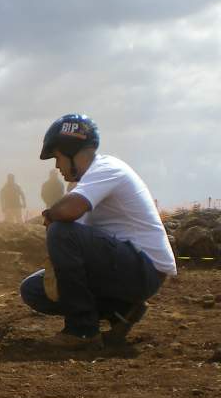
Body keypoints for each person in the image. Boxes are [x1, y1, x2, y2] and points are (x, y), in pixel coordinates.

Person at [19, 114, 177, 349]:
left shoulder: (106, 168)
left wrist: (51, 216)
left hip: (144, 268)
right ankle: (121, 311)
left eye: (58, 157)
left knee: (61, 232)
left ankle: (82, 331)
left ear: (71, 150)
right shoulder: (85, 184)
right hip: (127, 267)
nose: (56, 166)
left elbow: (68, 214)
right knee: (33, 289)